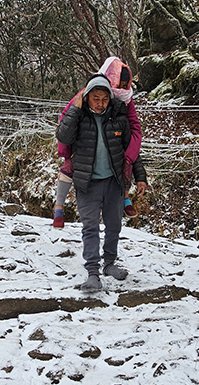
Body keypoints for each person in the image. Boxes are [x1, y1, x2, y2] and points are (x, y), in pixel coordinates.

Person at [56, 73, 148, 291]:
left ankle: (109, 263)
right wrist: (74, 109)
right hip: (86, 182)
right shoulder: (79, 117)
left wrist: (140, 177)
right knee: (90, 227)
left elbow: (131, 151)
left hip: (114, 182)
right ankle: (92, 272)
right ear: (87, 97)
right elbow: (63, 137)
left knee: (114, 225)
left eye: (104, 99)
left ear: (110, 99)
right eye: (95, 98)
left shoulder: (118, 118)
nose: (100, 103)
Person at [53, 56, 142, 228]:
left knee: (122, 162)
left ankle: (125, 198)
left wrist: (130, 154)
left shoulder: (126, 100)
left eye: (126, 85)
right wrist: (65, 151)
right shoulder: (89, 94)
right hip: (84, 148)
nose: (122, 89)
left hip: (113, 146)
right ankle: (59, 207)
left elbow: (134, 128)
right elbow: (66, 118)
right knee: (69, 168)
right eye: (119, 84)